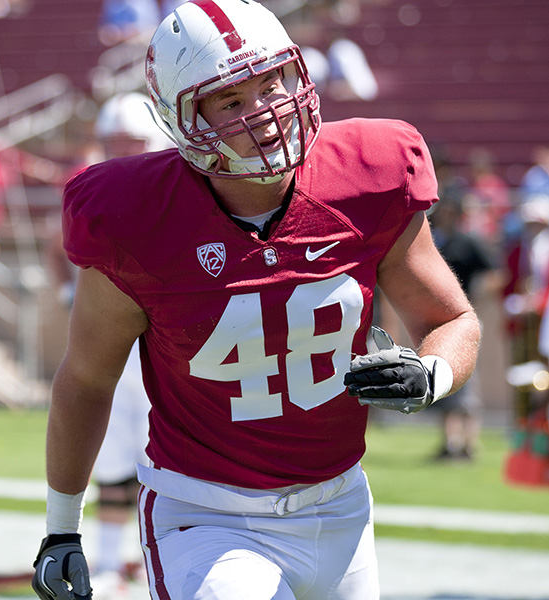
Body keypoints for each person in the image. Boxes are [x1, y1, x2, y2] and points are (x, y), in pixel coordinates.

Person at [31, 1, 481, 599]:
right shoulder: (135, 219)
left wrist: (433, 372)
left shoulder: (369, 175)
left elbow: (452, 319)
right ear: (182, 117)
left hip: (342, 506)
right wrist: (61, 531)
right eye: (231, 100)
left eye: (272, 83)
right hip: (207, 514)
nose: (266, 113)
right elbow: (86, 379)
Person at [44, 92, 171, 596]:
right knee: (112, 443)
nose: (123, 149)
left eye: (132, 140)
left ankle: (152, 548)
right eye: (115, 139)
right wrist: (65, 291)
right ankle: (107, 556)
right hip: (110, 336)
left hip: (165, 338)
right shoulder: (91, 189)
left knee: (165, 443)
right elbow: (58, 248)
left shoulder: (175, 186)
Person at [428, 196, 500, 460]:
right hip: (439, 318)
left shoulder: (468, 241)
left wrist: (473, 297)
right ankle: (449, 442)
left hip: (463, 319)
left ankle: (469, 443)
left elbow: (495, 274)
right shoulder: (434, 241)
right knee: (441, 381)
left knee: (467, 383)